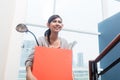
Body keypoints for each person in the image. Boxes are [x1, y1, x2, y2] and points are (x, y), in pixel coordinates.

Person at [25, 14, 74, 80]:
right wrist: (29, 73)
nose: (57, 23)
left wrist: (72, 77)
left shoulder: (64, 42)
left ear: (62, 26)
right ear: (48, 25)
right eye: (54, 21)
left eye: (59, 22)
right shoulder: (41, 40)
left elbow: (67, 65)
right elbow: (29, 60)